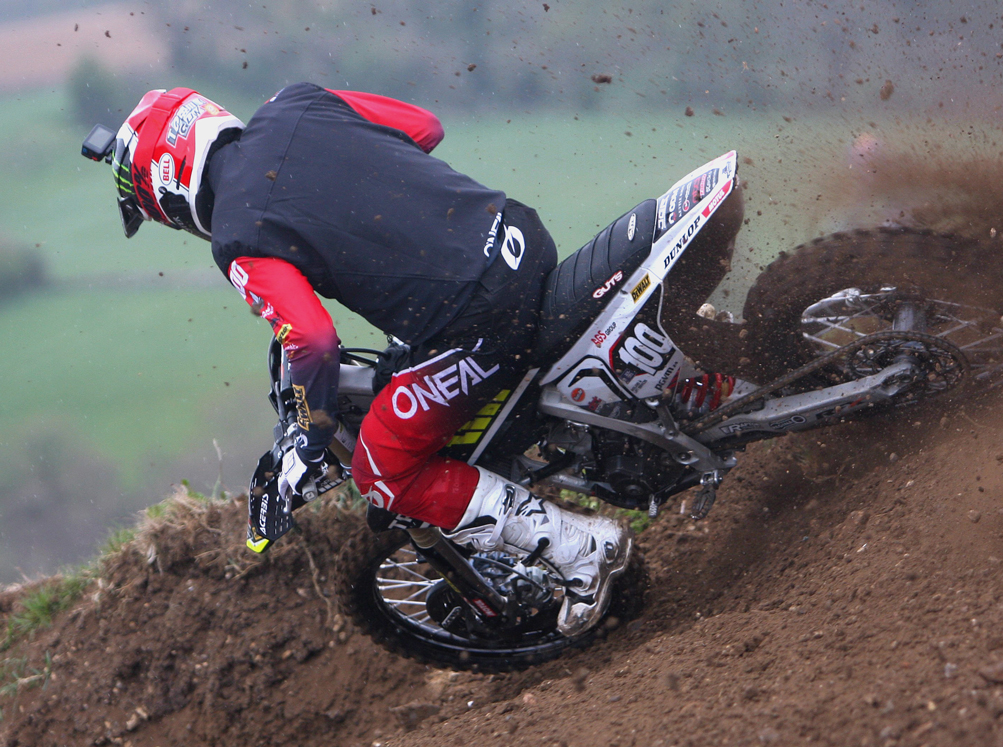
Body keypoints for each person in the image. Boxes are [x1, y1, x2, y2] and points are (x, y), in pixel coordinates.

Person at [82, 84, 630, 636]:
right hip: (519, 234)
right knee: (414, 371)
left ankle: (582, 548)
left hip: (482, 318)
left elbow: (312, 342)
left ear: (168, 190)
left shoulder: (236, 236)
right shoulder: (295, 102)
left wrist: (309, 440)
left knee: (382, 468)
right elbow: (425, 126)